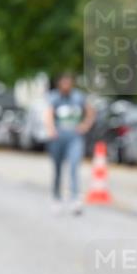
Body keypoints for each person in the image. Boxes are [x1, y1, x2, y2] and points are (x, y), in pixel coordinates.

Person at [44, 73, 94, 215]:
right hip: (58, 137)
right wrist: (51, 129)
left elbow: (90, 112)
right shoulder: (54, 98)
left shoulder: (78, 97)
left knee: (74, 166)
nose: (66, 86)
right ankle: (56, 197)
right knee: (58, 169)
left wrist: (85, 125)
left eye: (68, 83)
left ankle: (75, 199)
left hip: (74, 137)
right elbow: (48, 114)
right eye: (63, 83)